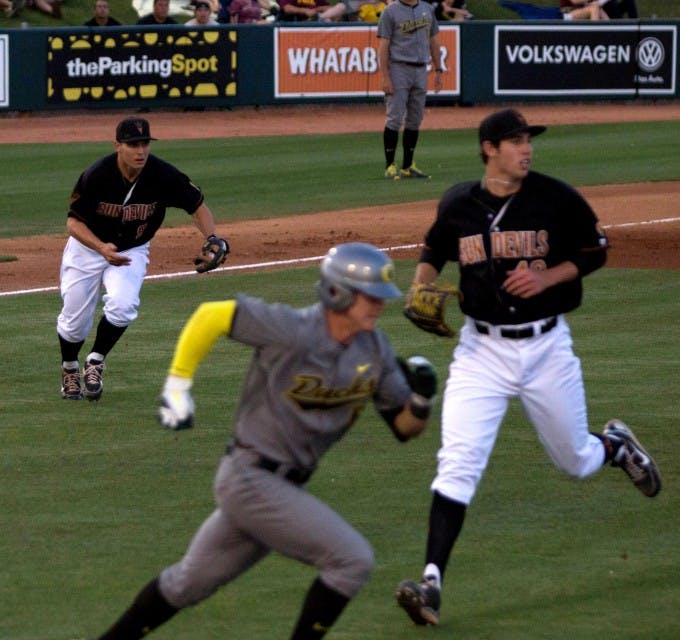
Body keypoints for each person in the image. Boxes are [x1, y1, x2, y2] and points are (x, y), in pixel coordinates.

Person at [394, 108, 661, 627]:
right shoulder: (459, 204)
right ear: (489, 148)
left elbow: (595, 250)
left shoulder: (554, 197)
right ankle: (430, 584)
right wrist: (420, 282)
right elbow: (433, 249)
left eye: (528, 140)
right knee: (458, 463)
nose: (527, 148)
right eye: (515, 141)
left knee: (574, 460)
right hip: (481, 353)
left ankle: (614, 446)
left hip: (545, 350)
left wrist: (549, 278)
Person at [90, 242, 438, 640]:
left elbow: (404, 428)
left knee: (185, 584)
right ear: (337, 292)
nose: (379, 304)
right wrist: (178, 385)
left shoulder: (374, 349)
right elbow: (212, 315)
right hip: (250, 477)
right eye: (370, 296)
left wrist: (423, 399)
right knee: (352, 560)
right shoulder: (292, 329)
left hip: (282, 487)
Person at [56, 117, 226, 402]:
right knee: (74, 324)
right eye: (133, 144)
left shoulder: (162, 175)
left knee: (124, 305)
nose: (140, 150)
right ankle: (69, 368)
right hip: (87, 249)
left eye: (144, 143)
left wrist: (212, 237)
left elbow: (197, 206)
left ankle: (95, 361)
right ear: (117, 146)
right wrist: (100, 248)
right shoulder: (97, 174)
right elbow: (73, 223)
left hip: (131, 249)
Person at [377, 0, 442, 181]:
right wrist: (385, 76)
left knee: (415, 119)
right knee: (395, 118)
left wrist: (439, 68)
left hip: (420, 68)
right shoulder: (390, 12)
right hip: (399, 67)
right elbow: (383, 46)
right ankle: (390, 166)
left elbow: (433, 40)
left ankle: (408, 165)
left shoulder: (426, 9)